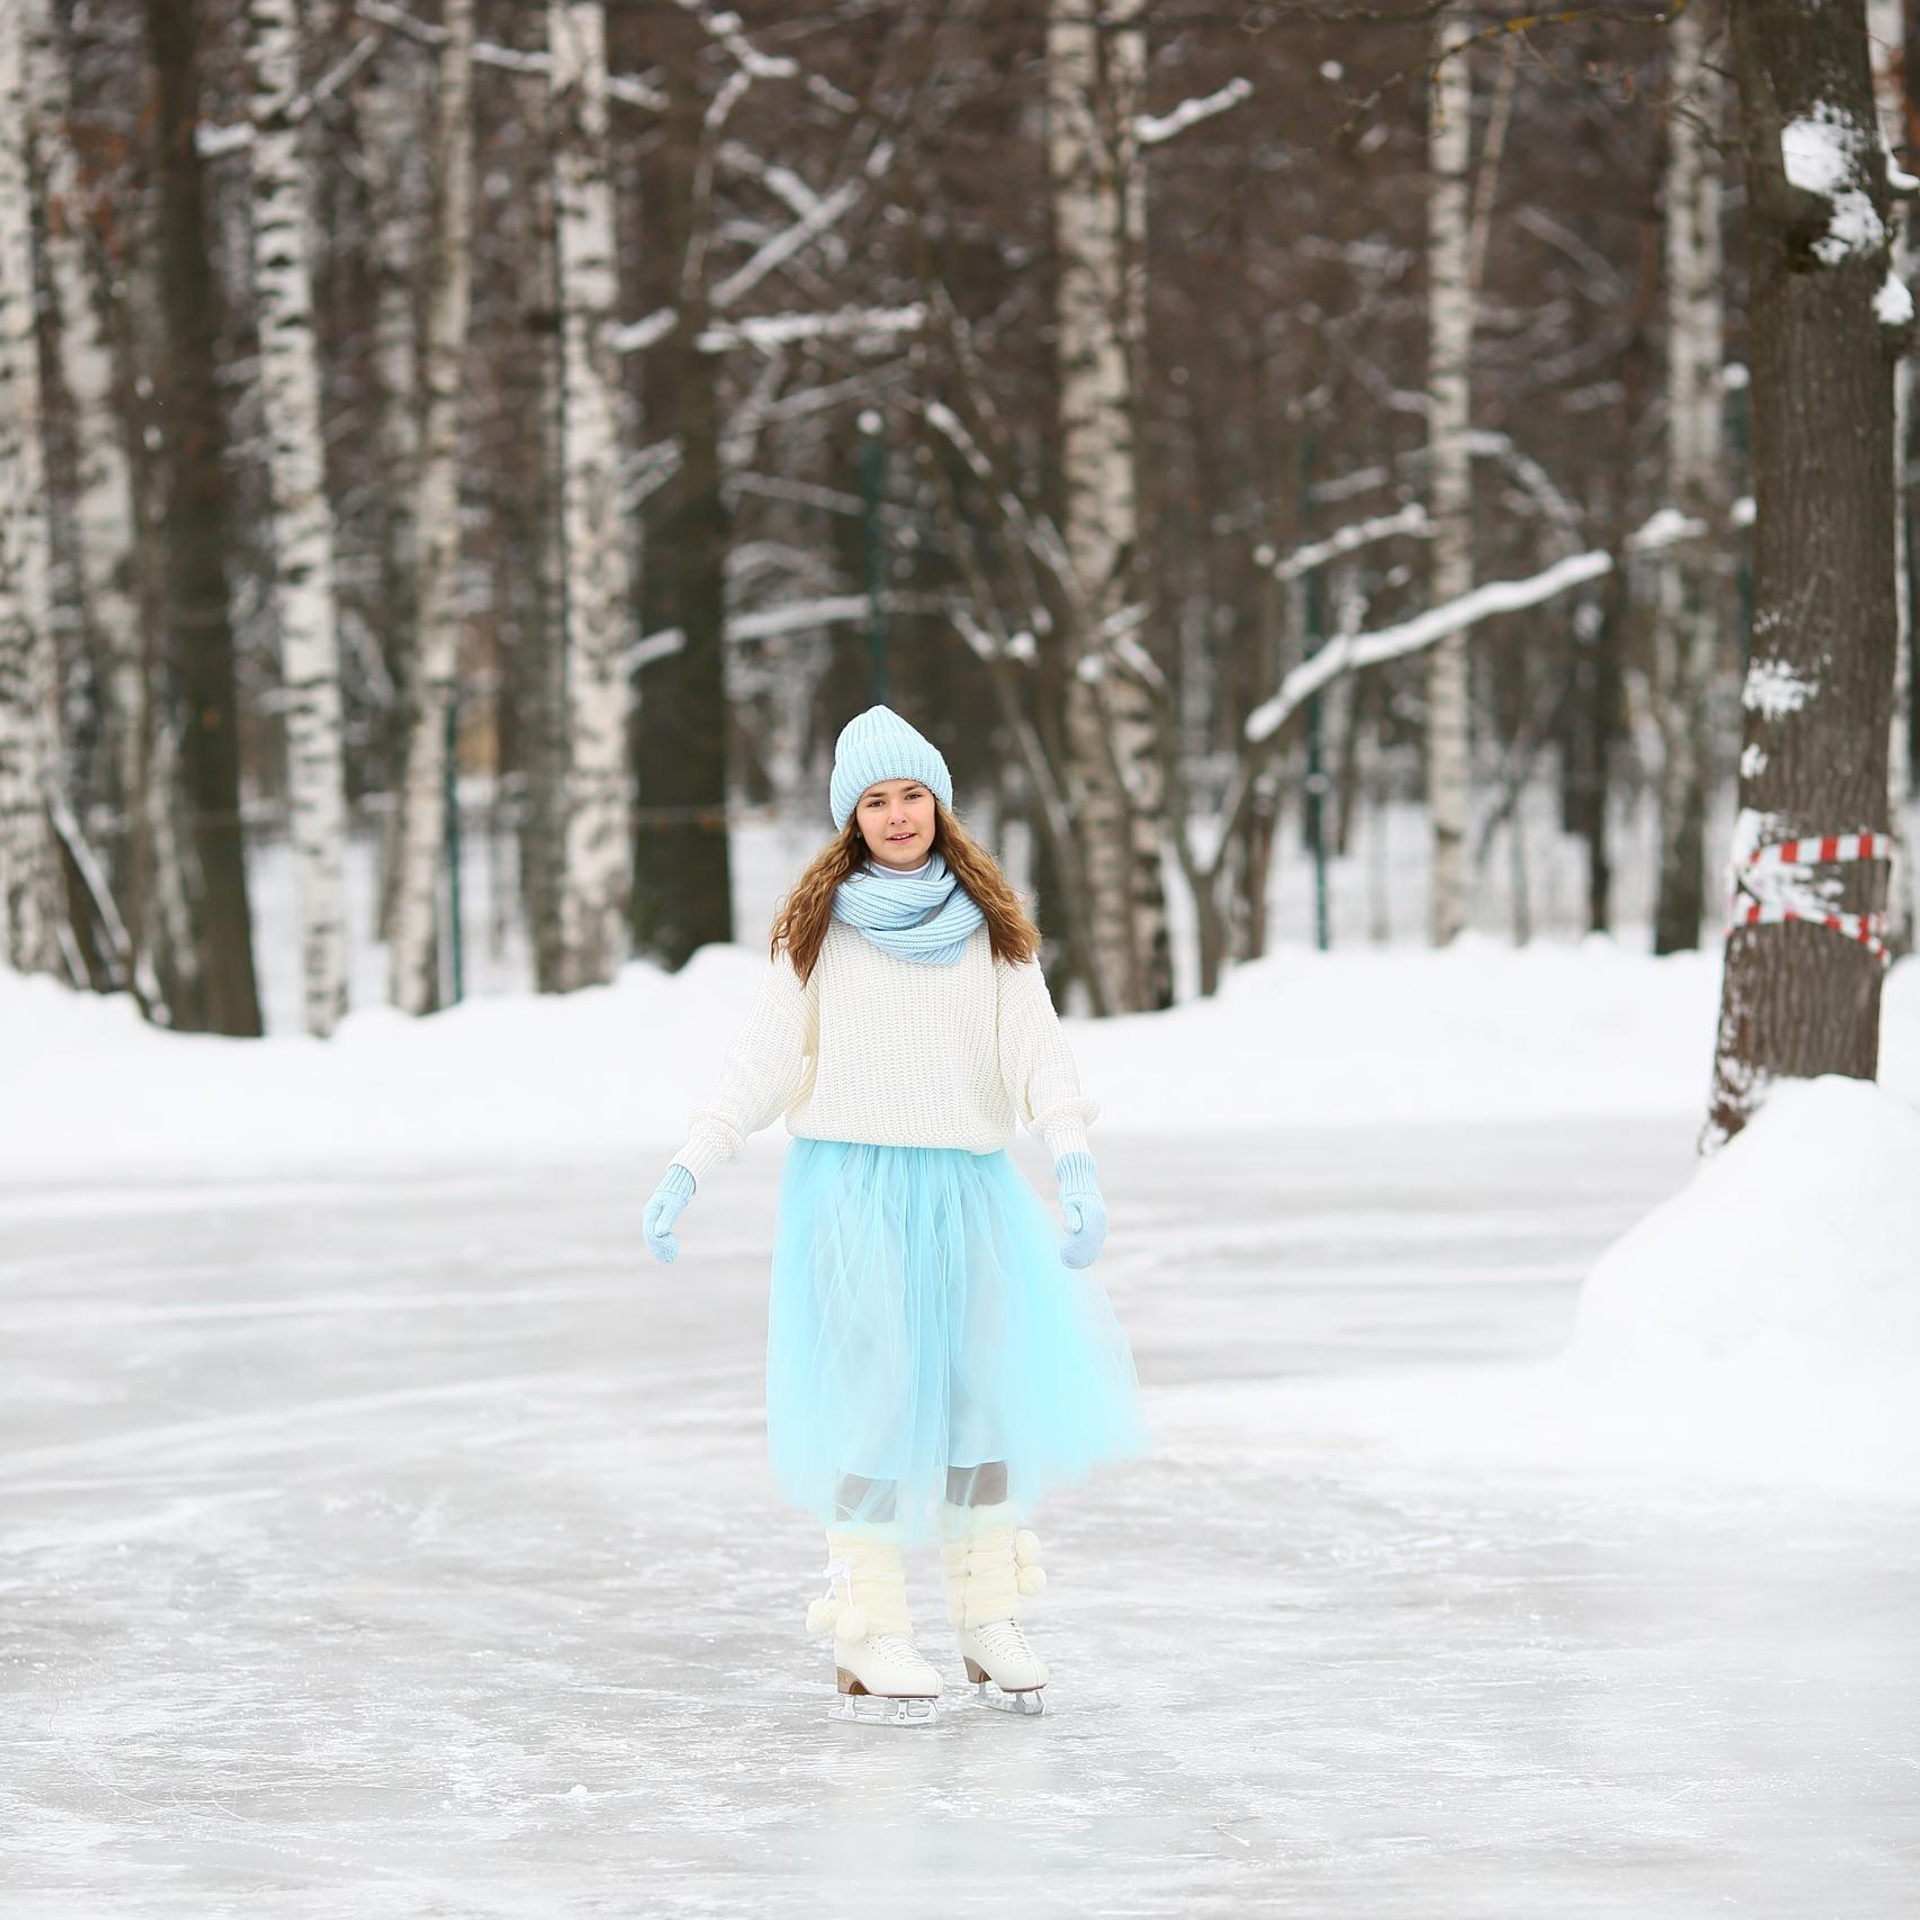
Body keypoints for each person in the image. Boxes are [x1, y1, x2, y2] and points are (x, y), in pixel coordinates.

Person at [641, 704, 1148, 1725]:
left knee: (978, 1394)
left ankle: (986, 1612)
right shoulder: (815, 932)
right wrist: (693, 1161)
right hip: (856, 1189)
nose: (898, 814)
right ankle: (868, 1624)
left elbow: (1037, 1051)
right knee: (874, 1396)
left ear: (940, 803)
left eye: (912, 793)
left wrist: (1075, 1158)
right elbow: (761, 1062)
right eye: (876, 800)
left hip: (967, 1189)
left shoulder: (992, 927)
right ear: (851, 819)